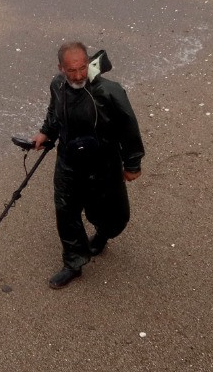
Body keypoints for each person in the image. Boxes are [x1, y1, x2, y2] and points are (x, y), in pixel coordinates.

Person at [29, 41, 145, 289]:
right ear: (61, 68)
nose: (79, 75)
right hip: (68, 163)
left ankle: (103, 234)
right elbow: (54, 112)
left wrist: (132, 163)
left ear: (88, 62)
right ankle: (74, 262)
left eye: (82, 68)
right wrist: (45, 132)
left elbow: (129, 127)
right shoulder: (57, 85)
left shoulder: (109, 91)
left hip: (104, 164)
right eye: (72, 70)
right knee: (65, 211)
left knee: (113, 214)